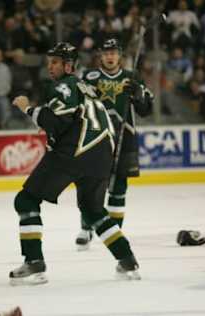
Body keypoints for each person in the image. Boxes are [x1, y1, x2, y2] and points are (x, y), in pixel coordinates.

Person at [11, 42, 140, 285]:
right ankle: (127, 260)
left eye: (56, 62)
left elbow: (57, 122)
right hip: (102, 156)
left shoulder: (63, 85)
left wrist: (27, 108)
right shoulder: (84, 87)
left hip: (76, 151)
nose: (50, 67)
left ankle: (34, 262)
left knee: (26, 200)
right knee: (94, 211)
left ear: (69, 66)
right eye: (50, 61)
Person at [75, 38, 153, 250]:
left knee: (118, 188)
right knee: (91, 186)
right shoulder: (89, 77)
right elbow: (78, 106)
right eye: (106, 52)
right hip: (96, 138)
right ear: (100, 55)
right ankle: (86, 227)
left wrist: (137, 94)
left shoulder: (132, 77)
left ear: (120, 55)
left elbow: (146, 110)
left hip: (124, 137)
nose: (110, 56)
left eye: (114, 52)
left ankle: (114, 233)